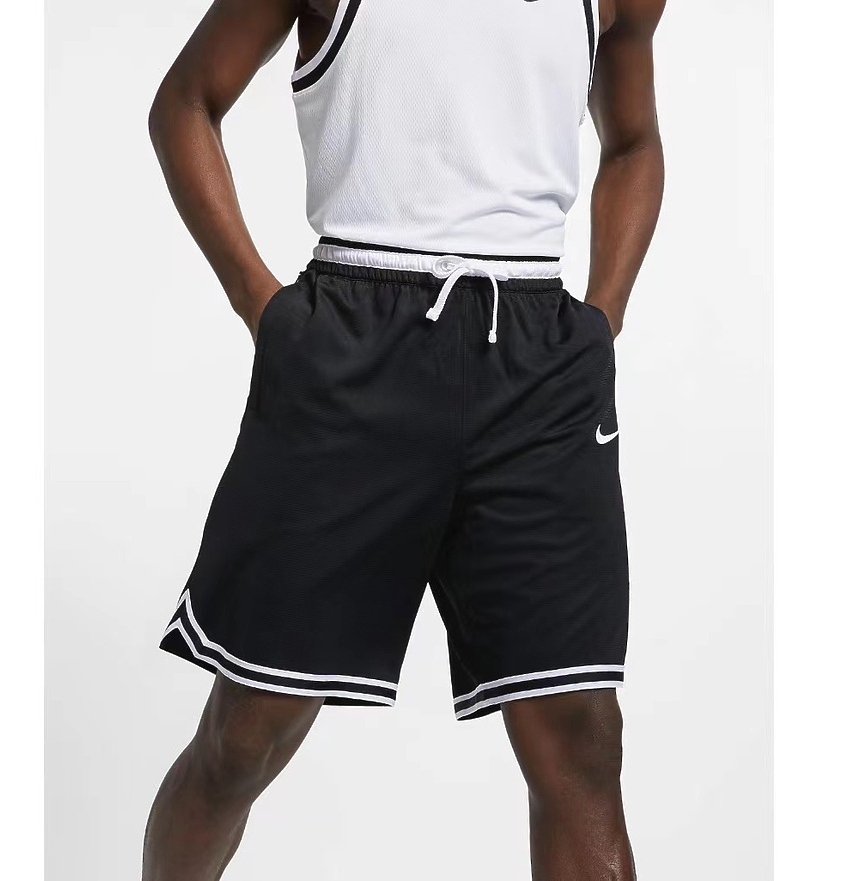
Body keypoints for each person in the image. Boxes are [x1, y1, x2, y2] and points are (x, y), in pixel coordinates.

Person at [143, 0, 665, 877]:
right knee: (246, 734)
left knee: (582, 737)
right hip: (353, 344)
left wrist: (602, 320)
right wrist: (262, 308)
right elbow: (186, 102)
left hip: (536, 362)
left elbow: (634, 142)